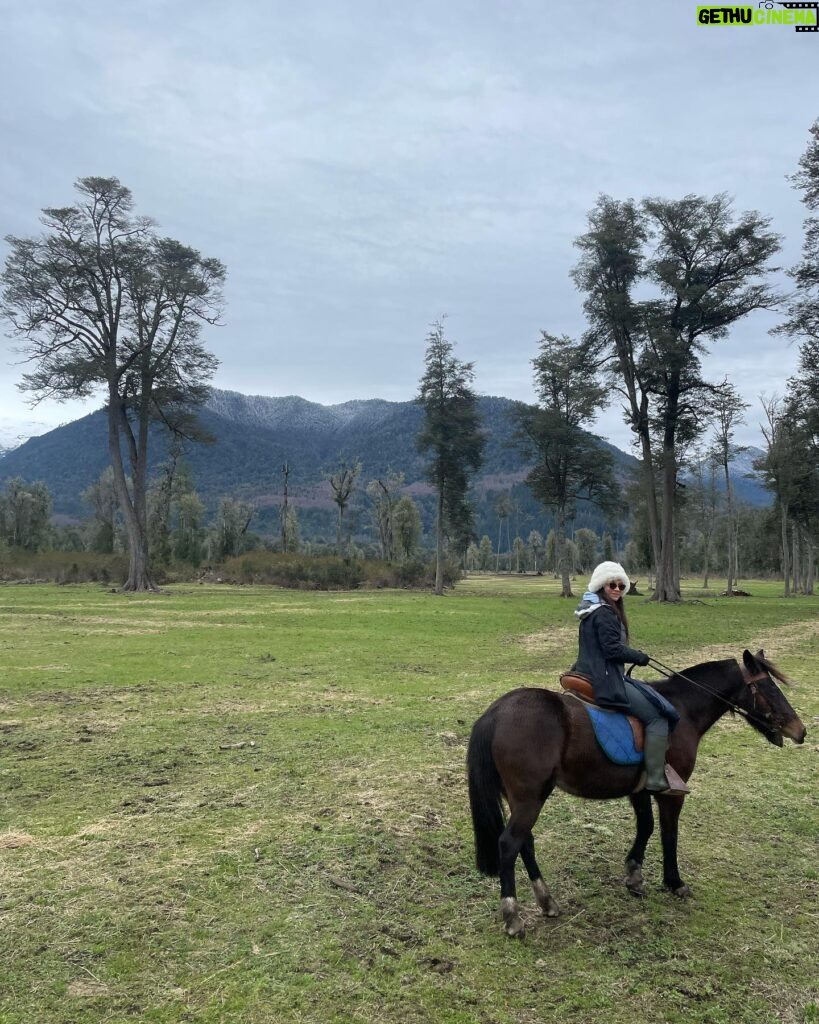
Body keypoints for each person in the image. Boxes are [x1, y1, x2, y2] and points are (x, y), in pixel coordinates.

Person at [571, 560, 679, 793]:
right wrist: (638, 656)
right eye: (612, 584)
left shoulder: (590, 609)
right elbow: (612, 649)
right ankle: (655, 779)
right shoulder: (606, 614)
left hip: (587, 671)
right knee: (657, 716)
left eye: (621, 585)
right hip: (605, 678)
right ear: (601, 586)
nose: (617, 589)